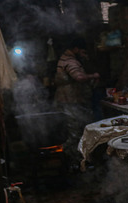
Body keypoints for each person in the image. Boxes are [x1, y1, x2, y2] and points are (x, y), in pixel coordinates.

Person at [54, 37, 100, 168]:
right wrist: (94, 76)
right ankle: (73, 164)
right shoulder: (70, 61)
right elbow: (79, 77)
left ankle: (74, 162)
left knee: (74, 132)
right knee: (74, 134)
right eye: (81, 51)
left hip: (67, 102)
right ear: (76, 49)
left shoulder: (64, 58)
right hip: (70, 103)